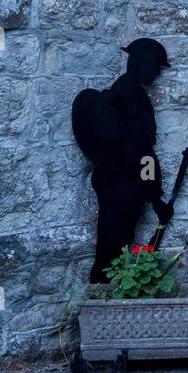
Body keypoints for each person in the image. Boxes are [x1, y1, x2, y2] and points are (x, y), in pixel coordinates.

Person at [72, 38, 174, 281]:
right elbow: (142, 151)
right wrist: (155, 195)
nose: (157, 73)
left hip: (121, 182)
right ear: (144, 65)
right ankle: (105, 294)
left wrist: (153, 194)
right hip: (123, 184)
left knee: (117, 240)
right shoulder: (130, 93)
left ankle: (109, 291)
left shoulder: (127, 92)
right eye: (156, 67)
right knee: (114, 241)